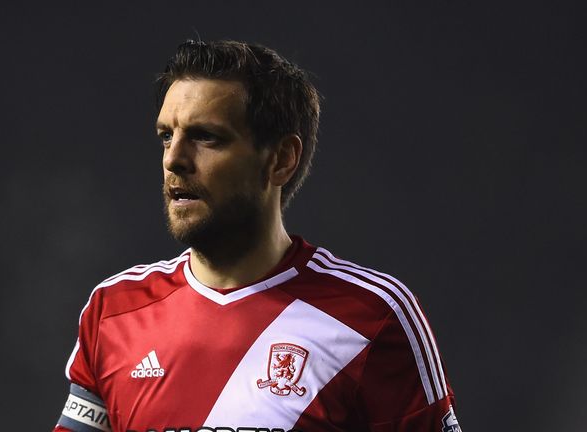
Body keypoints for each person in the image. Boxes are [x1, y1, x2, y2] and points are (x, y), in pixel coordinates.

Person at [54, 40, 461, 432]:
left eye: (205, 137)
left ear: (281, 160)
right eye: (166, 136)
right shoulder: (113, 310)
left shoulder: (374, 315)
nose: (174, 159)